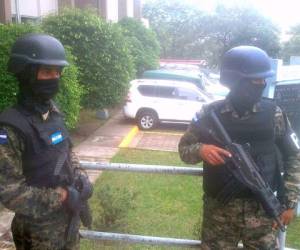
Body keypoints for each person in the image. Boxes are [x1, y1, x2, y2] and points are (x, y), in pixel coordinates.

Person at [178, 46, 300, 249]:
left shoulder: (274, 114)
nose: (261, 84)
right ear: (235, 81)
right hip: (219, 213)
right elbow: (184, 149)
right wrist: (201, 149)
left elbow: (294, 156)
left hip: (262, 211)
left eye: (263, 80)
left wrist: (289, 204)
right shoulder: (209, 114)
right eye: (255, 80)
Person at [0, 34, 92, 250]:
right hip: (37, 235)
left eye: (58, 72)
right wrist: (62, 196)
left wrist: (80, 175)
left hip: (68, 225)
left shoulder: (53, 113)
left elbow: (66, 153)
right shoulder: (10, 128)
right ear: (27, 74)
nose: (55, 78)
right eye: (47, 72)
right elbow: (10, 193)